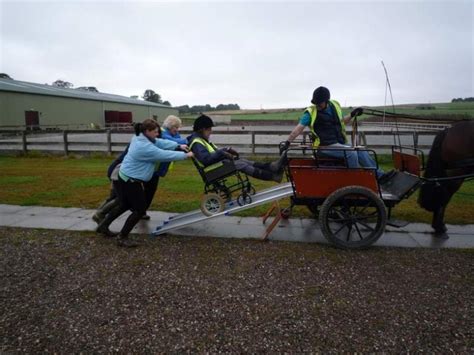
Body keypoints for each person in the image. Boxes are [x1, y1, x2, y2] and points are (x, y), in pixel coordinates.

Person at [97, 118, 193, 247]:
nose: (157, 134)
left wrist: (177, 146)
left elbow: (159, 142)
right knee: (139, 209)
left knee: (124, 205)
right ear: (147, 131)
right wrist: (185, 155)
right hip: (129, 181)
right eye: (154, 132)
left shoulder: (141, 137)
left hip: (126, 178)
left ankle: (103, 226)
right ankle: (122, 237)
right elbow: (162, 154)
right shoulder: (144, 146)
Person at [283, 86, 394, 181]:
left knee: (361, 150)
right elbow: (298, 129)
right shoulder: (310, 113)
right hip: (323, 146)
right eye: (316, 102)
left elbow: (341, 123)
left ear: (326, 100)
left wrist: (352, 114)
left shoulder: (334, 107)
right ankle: (354, 181)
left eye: (319, 102)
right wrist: (288, 142)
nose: (317, 105)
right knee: (351, 153)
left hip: (337, 143)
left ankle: (379, 176)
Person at [188, 115, 285, 182]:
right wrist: (223, 152)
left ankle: (273, 167)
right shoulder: (197, 142)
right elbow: (206, 160)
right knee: (241, 164)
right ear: (203, 129)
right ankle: (273, 176)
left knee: (243, 161)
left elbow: (213, 154)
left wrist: (226, 150)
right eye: (209, 129)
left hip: (217, 167)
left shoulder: (201, 140)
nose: (211, 132)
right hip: (212, 172)